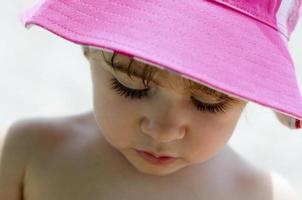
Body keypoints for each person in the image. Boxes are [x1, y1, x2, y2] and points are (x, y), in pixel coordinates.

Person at [0, 0, 301, 199]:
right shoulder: (29, 153)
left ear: (253, 93)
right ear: (88, 49)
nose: (163, 130)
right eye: (130, 86)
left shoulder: (263, 195)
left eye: (208, 102)